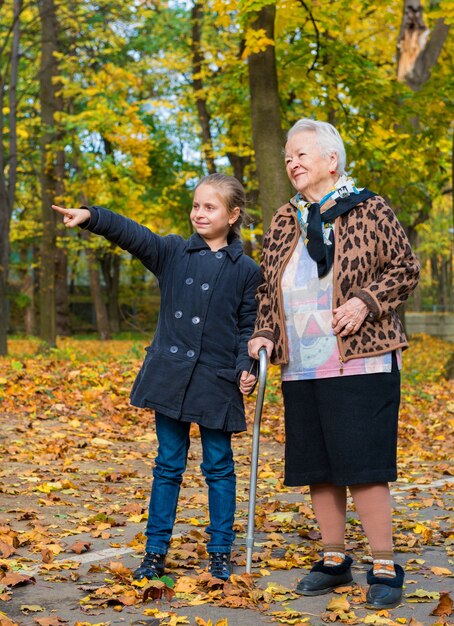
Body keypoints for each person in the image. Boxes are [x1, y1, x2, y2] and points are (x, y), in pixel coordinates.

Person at [52, 173, 261, 582]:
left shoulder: (246, 270)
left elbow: (248, 325)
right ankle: (154, 552)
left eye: (210, 207)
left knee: (219, 467)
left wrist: (246, 367)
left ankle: (220, 551)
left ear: (233, 215)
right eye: (196, 205)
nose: (199, 213)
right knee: (168, 465)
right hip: (170, 375)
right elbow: (132, 235)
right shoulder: (172, 252)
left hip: (217, 382)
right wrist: (92, 216)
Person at [248, 119, 420, 609]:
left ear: (331, 160)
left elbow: (404, 268)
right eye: (287, 157)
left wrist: (366, 301)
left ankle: (384, 563)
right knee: (319, 465)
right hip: (301, 361)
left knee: (363, 463)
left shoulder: (370, 208)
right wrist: (263, 331)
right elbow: (267, 288)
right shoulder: (286, 219)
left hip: (362, 357)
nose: (292, 163)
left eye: (301, 154)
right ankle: (333, 559)